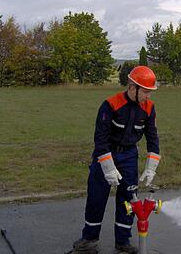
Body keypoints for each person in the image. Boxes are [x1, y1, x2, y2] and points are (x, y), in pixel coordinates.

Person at [67, 66, 161, 254]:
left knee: (129, 200)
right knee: (97, 198)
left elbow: (153, 138)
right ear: (132, 87)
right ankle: (89, 240)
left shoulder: (149, 108)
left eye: (150, 92)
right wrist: (108, 168)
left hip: (129, 156)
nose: (148, 96)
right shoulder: (110, 104)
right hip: (106, 154)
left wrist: (151, 167)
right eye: (145, 92)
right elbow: (100, 140)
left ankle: (123, 242)